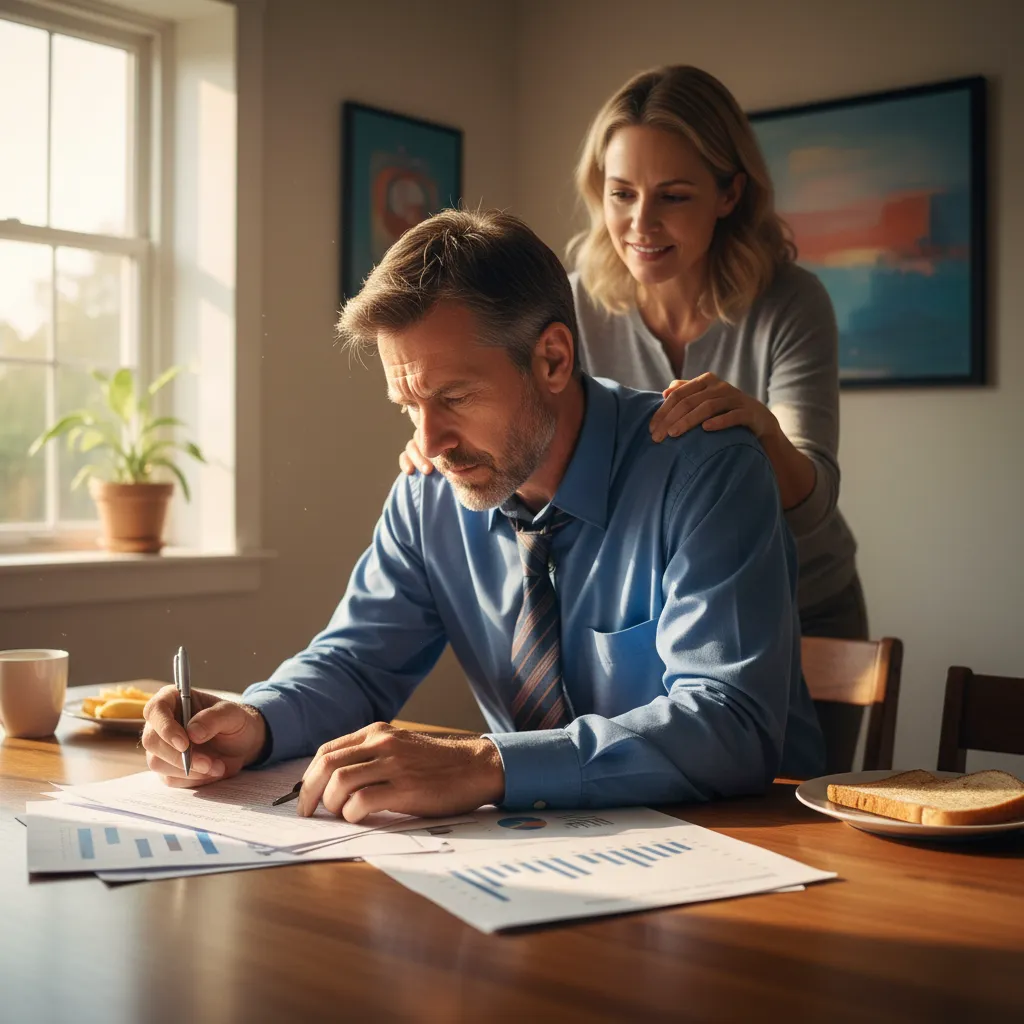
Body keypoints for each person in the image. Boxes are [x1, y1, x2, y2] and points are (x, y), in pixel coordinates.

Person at [142, 209, 824, 821]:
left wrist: (487, 764)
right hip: (531, 860)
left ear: (553, 359)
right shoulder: (428, 491)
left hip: (748, 854)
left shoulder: (706, 470)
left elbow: (732, 723)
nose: (429, 442)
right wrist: (257, 720)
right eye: (409, 407)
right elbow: (356, 664)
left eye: (455, 397)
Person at [400, 67, 866, 641]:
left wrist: (764, 433)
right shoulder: (568, 307)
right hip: (661, 596)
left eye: (672, 196)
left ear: (729, 193)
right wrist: (445, 431)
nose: (641, 224)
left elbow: (813, 503)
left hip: (807, 601)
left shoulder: (791, 303)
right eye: (622, 194)